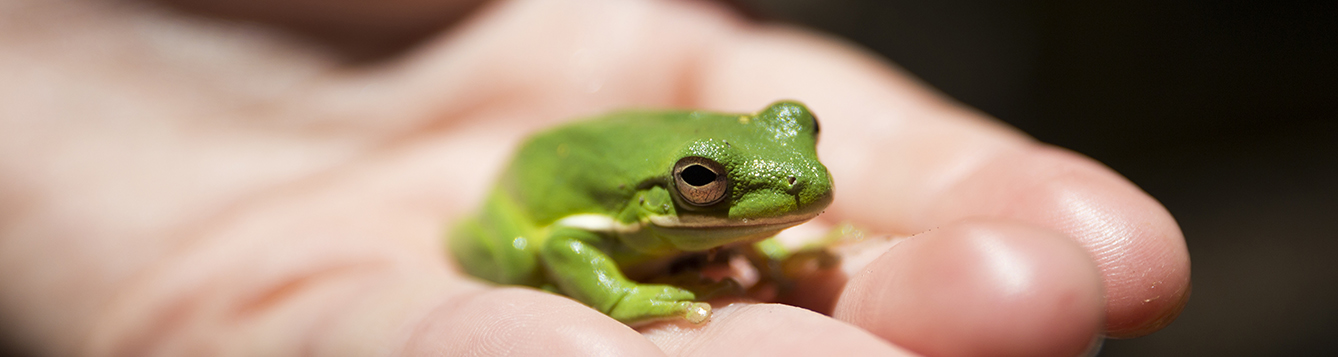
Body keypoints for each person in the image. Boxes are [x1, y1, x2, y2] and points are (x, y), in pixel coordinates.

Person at [0, 0, 1190, 355]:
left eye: (803, 136)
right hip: (542, 209)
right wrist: (627, 295)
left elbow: (763, 160)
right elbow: (566, 238)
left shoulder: (758, 163)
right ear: (683, 188)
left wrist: (751, 231)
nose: (804, 174)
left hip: (637, 196)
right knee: (520, 258)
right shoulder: (616, 208)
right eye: (714, 186)